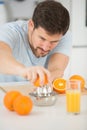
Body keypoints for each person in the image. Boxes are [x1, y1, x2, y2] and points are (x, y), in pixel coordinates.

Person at [0, 0, 72, 86]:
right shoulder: (10, 31)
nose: (45, 47)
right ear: (31, 25)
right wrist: (24, 71)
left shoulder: (63, 35)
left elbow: (56, 69)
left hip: (37, 95)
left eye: (54, 42)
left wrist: (50, 78)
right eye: (42, 38)